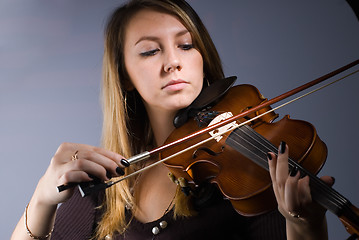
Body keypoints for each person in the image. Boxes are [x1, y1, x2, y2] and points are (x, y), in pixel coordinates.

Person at [11, 0, 335, 239]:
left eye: (185, 45)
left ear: (202, 57)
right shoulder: (110, 184)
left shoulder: (244, 175)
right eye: (151, 51)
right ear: (125, 76)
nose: (173, 62)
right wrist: (43, 196)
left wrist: (304, 224)